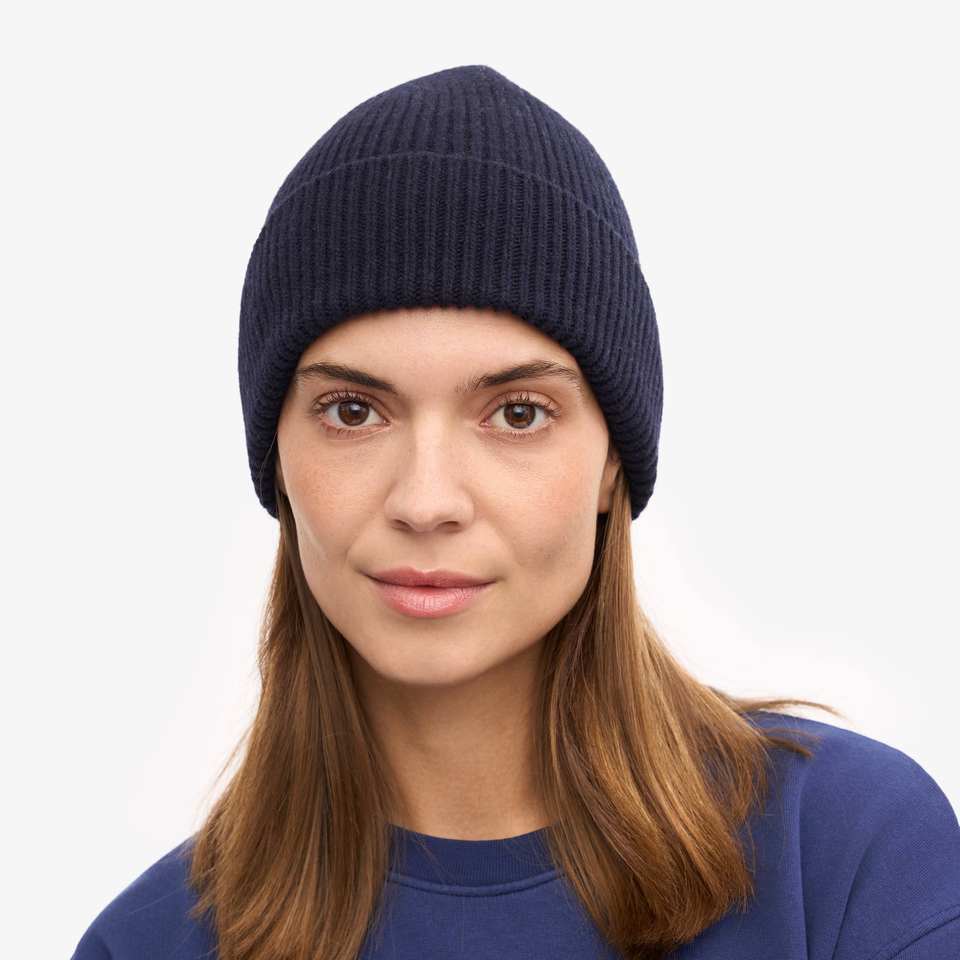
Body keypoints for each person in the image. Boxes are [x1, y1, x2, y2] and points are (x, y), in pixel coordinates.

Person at [71, 64, 960, 960]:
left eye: (519, 414)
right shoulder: (146, 944)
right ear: (277, 457)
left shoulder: (851, 858)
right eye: (353, 411)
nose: (426, 502)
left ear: (612, 463)